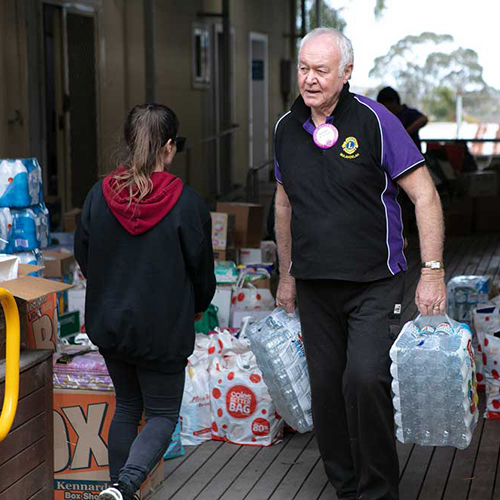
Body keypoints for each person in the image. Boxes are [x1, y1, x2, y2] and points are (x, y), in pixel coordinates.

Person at [274, 28, 445, 500]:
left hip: (374, 281)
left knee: (364, 379)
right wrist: (286, 273)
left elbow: (424, 194)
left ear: (346, 72)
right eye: (304, 68)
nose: (309, 79)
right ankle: (346, 487)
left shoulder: (375, 119)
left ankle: (378, 490)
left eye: (321, 70)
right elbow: (284, 204)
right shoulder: (286, 127)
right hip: (313, 284)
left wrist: (432, 268)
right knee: (327, 390)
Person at [74, 103, 216, 500]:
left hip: (110, 323)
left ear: (128, 143)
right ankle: (125, 485)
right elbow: (202, 268)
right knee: (162, 415)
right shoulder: (185, 202)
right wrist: (198, 304)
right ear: (169, 148)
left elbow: (84, 256)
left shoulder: (97, 195)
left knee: (126, 407)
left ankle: (117, 492)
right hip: (163, 328)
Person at [377, 86, 428, 152]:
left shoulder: (408, 113)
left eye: (385, 105)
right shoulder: (385, 117)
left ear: (393, 102)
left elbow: (423, 119)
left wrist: (404, 133)